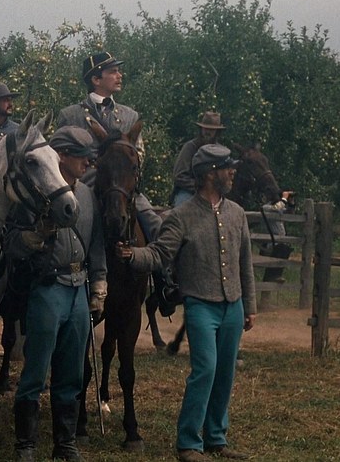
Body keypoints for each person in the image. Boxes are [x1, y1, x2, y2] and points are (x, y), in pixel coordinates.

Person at [116, 144, 256, 462]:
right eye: (227, 167)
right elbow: (159, 253)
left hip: (233, 305)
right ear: (209, 174)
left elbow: (245, 262)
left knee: (224, 373)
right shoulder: (182, 216)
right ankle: (188, 443)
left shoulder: (237, 214)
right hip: (201, 305)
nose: (232, 172)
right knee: (205, 369)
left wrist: (249, 306)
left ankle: (216, 439)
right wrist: (132, 255)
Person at [6, 126, 106, 461]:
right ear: (61, 156)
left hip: (79, 289)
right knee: (36, 370)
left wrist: (100, 283)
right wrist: (34, 237)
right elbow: (12, 244)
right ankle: (26, 444)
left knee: (72, 372)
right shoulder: (35, 192)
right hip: (48, 287)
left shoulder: (87, 195)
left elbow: (96, 244)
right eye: (80, 156)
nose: (87, 163)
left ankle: (65, 443)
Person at [56, 52, 161, 240]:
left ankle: (163, 257)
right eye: (113, 72)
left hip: (121, 183)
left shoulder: (130, 116)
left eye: (118, 71)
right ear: (96, 79)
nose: (119, 76)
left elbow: (139, 154)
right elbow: (59, 155)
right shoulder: (70, 115)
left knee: (154, 223)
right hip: (85, 182)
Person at [171, 111, 225, 206]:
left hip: (213, 193)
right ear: (201, 129)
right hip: (189, 192)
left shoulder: (221, 151)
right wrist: (200, 187)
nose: (208, 132)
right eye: (205, 129)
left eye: (211, 130)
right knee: (182, 208)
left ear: (217, 132)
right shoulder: (190, 147)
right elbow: (179, 176)